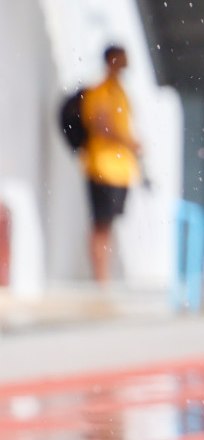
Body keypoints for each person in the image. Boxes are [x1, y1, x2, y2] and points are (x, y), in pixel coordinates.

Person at [81, 45, 142, 284]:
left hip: (119, 169)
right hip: (103, 167)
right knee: (100, 224)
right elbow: (101, 125)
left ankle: (104, 275)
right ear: (111, 60)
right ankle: (101, 276)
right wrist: (130, 142)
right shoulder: (101, 90)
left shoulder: (119, 91)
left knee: (109, 223)